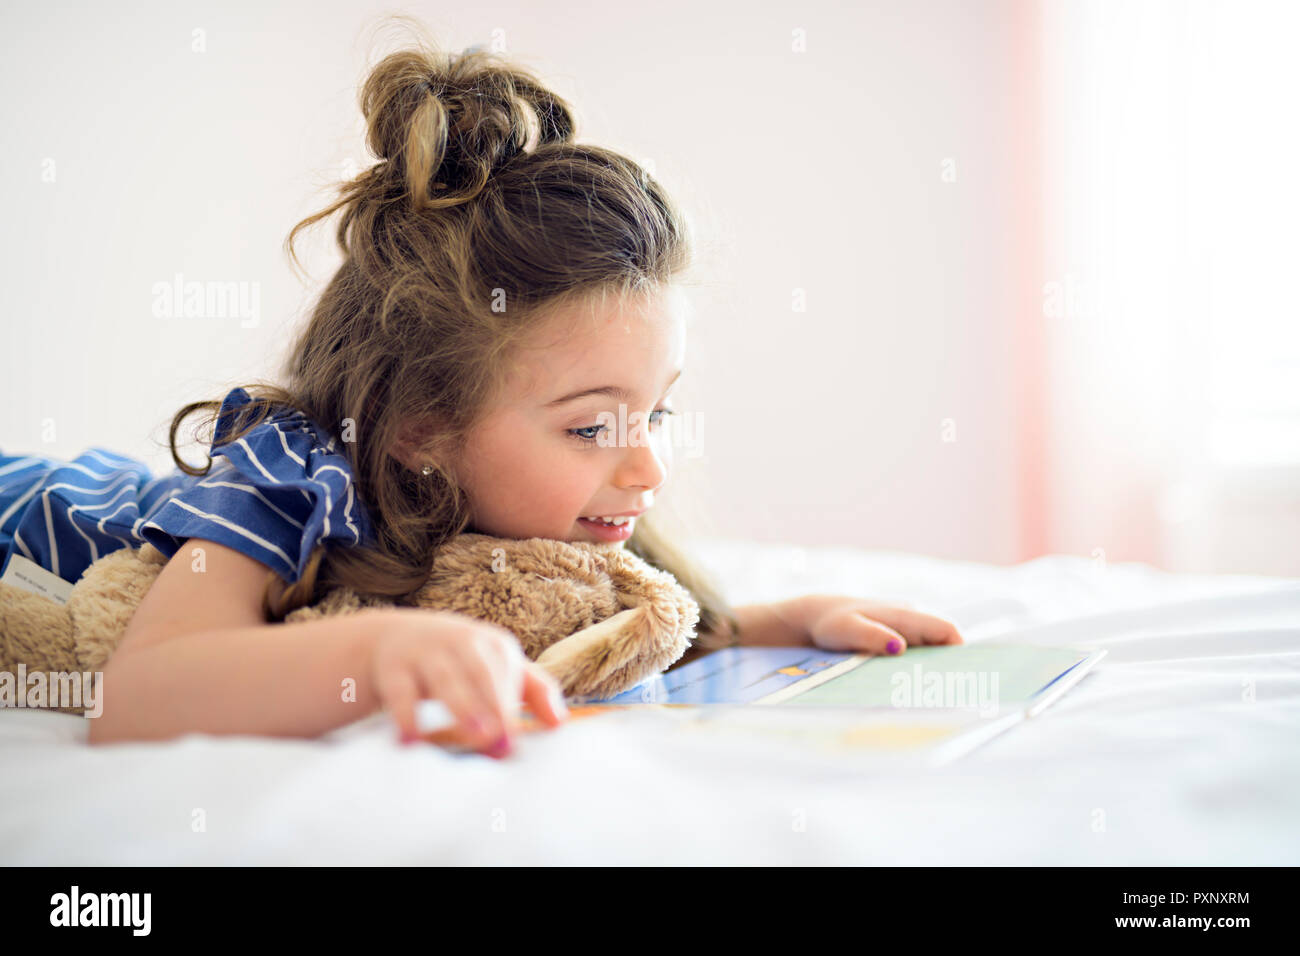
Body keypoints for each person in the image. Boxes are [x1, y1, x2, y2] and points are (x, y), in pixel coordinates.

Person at [1, 28, 962, 757]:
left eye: (657, 410)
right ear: (422, 429)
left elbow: (586, 627)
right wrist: (372, 657)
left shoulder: (539, 524)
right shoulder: (295, 469)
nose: (650, 463)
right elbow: (139, 697)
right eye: (592, 424)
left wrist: (774, 626)